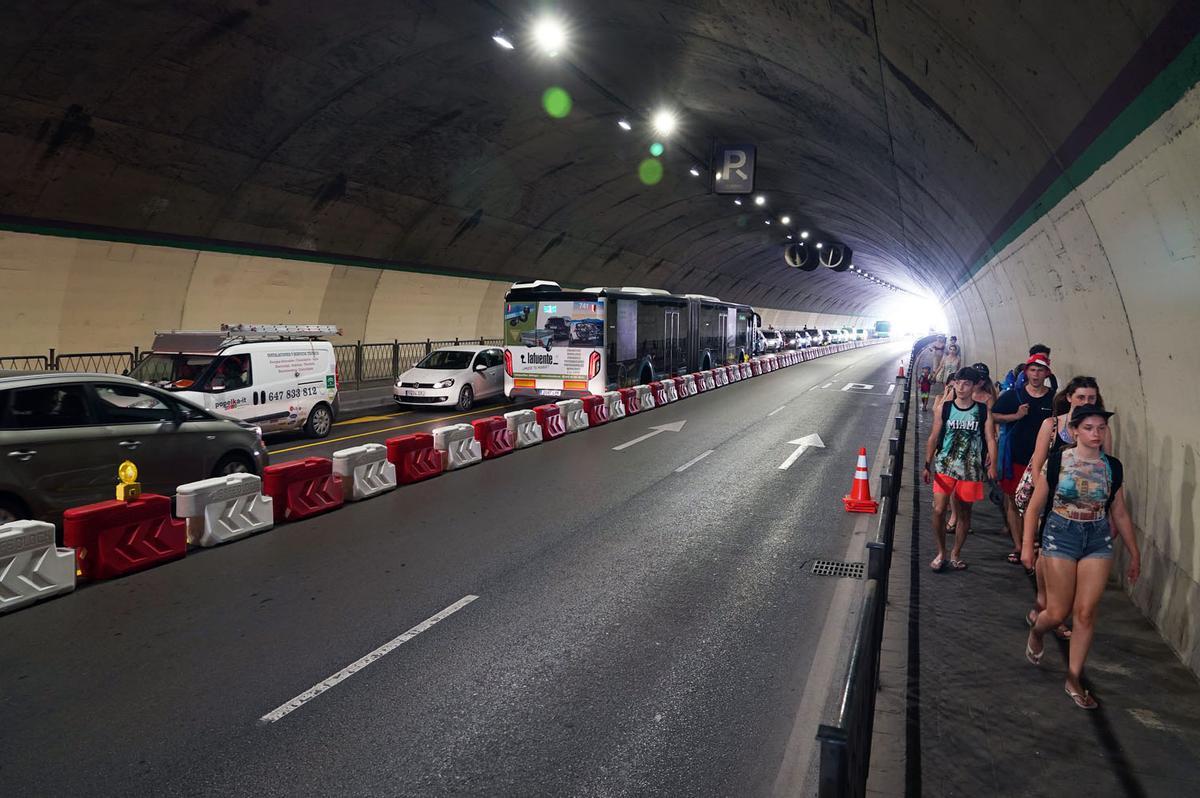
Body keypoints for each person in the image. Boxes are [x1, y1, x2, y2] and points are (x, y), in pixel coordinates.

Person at [1021, 405, 1140, 710]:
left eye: (1101, 428)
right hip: (1061, 534)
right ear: (1074, 431)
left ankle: (1073, 678)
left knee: (1085, 613)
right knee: (1058, 612)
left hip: (1097, 538)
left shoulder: (1112, 466)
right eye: (1089, 427)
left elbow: (1120, 512)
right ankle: (1038, 631)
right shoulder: (1059, 460)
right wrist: (1026, 545)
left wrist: (1134, 552)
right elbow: (1036, 506)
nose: (1096, 434)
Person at [1024, 377, 1112, 639]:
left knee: (1053, 560)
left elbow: (1106, 465)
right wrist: (1047, 503)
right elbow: (1040, 463)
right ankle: (1048, 606)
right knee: (1044, 556)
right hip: (1053, 503)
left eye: (1092, 398)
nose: (1086, 402)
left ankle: (1051, 608)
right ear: (1069, 397)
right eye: (1081, 397)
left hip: (1083, 506)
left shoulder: (1098, 429)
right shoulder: (1052, 425)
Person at [923, 367, 998, 571]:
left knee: (965, 513)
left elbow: (990, 438)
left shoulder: (982, 411)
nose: (962, 387)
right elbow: (934, 436)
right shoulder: (945, 408)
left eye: (966, 384)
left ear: (974, 386)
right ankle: (941, 552)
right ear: (953, 384)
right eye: (958, 383)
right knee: (939, 510)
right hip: (945, 466)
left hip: (971, 469)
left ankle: (956, 553)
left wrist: (993, 463)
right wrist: (927, 463)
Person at [994, 353, 1056, 563]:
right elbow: (993, 415)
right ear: (1026, 372)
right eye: (1032, 370)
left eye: (1040, 370)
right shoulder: (1014, 396)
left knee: (1036, 504)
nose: (1036, 374)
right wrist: (1015, 416)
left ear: (1047, 373)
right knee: (1013, 501)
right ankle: (1019, 545)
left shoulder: (1054, 399)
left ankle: (1032, 542)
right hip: (1017, 458)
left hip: (1045, 461)